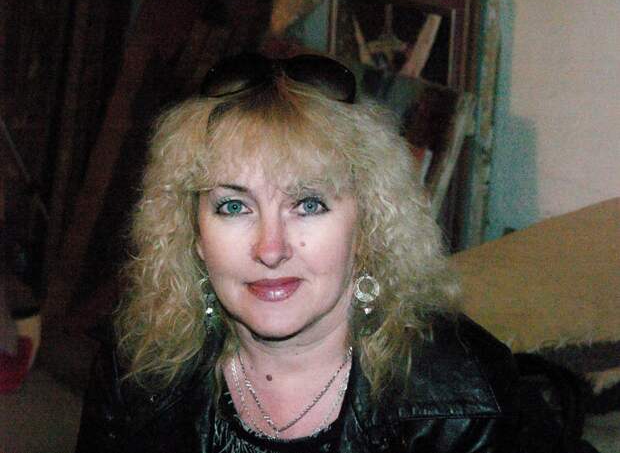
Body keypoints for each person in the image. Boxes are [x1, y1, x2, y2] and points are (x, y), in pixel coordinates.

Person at [75, 53, 520, 452]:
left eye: (308, 204)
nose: (270, 250)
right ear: (194, 232)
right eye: (234, 207)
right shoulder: (137, 368)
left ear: (366, 226)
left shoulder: (464, 400)